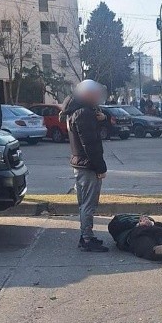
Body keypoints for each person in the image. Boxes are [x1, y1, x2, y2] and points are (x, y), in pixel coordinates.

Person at [63, 79, 109, 252]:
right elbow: (90, 144)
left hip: (81, 164)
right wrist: (100, 168)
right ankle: (87, 239)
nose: (98, 97)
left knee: (84, 203)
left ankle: (86, 236)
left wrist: (103, 119)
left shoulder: (75, 110)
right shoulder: (84, 113)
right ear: (87, 94)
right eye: (95, 94)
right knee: (89, 204)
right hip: (88, 165)